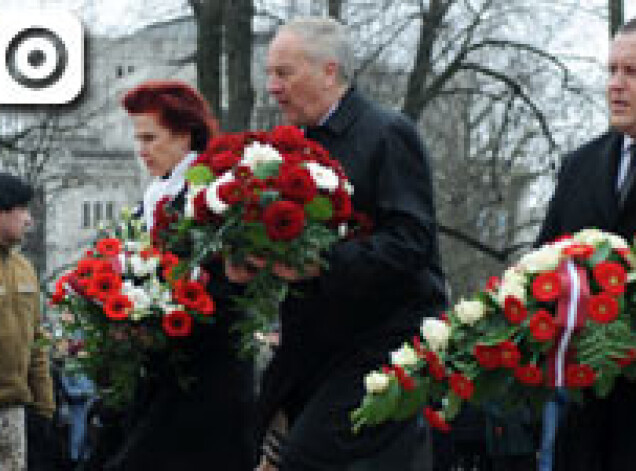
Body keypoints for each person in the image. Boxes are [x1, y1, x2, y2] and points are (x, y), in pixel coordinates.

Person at [229, 17, 447, 470]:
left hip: (382, 344)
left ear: (329, 71)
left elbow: (412, 243)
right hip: (311, 345)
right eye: (269, 74)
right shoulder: (289, 150)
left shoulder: (387, 133)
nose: (272, 87)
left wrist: (322, 263)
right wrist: (251, 260)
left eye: (284, 73)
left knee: (309, 459)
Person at [102, 80, 256, 470]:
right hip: (161, 376)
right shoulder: (156, 197)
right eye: (138, 139)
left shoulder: (216, 195)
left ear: (185, 134)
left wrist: (158, 320)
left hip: (206, 381)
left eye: (151, 137)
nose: (142, 150)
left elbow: (232, 288)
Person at [536, 14, 636, 471]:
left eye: (634, 72)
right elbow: (542, 265)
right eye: (611, 71)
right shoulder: (581, 166)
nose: (616, 85)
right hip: (584, 413)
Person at [0, 173, 55, 471]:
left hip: (15, 413)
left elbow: (37, 341)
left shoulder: (25, 269)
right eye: (23, 209)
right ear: (3, 210)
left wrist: (45, 408)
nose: (29, 219)